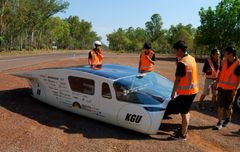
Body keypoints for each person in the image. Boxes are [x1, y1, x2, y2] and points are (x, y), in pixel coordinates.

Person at [169, 40, 199, 140]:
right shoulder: (191, 58)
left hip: (186, 92)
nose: (175, 53)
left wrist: (173, 92)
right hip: (193, 90)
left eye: (176, 50)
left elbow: (177, 79)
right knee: (186, 111)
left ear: (180, 50)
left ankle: (183, 135)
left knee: (184, 113)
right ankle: (183, 129)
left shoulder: (182, 63)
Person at [213, 47, 240, 130]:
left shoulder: (238, 63)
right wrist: (216, 83)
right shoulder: (223, 61)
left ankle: (228, 118)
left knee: (228, 108)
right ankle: (219, 122)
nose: (224, 54)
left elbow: (238, 78)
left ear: (230, 54)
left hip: (230, 89)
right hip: (221, 87)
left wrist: (234, 90)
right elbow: (220, 73)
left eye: (225, 53)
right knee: (220, 106)